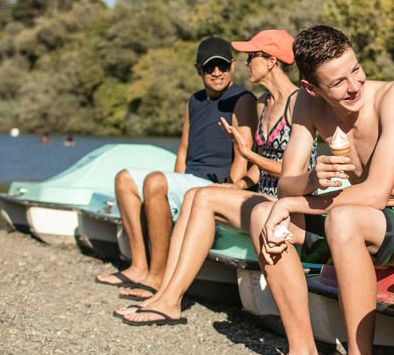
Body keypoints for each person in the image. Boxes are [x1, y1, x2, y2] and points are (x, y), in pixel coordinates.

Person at [235, 25, 394, 355]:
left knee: (340, 219)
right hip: (351, 219)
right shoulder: (307, 105)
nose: (354, 86)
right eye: (338, 82)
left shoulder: (393, 96)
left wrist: (297, 201)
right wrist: (312, 180)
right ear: (311, 87)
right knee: (263, 213)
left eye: (357, 70)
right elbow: (286, 182)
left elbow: (378, 194)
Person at [117, 29, 315, 325]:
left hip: (290, 205)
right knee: (195, 194)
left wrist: (249, 156)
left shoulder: (300, 102)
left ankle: (171, 300)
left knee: (205, 197)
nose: (247, 63)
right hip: (262, 197)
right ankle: (164, 294)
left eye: (252, 57)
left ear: (271, 60)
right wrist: (238, 184)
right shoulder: (263, 103)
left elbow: (296, 173)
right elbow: (256, 169)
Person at [96, 37, 257, 301]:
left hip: (216, 186)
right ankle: (139, 266)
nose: (216, 73)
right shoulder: (193, 101)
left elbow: (244, 149)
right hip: (191, 180)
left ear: (232, 65)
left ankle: (157, 277)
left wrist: (234, 185)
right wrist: (175, 183)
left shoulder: (242, 99)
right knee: (125, 179)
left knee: (156, 182)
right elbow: (183, 149)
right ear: (198, 70)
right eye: (209, 68)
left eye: (222, 66)